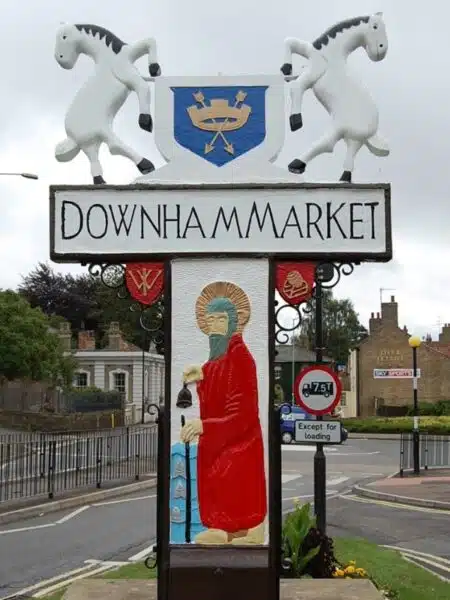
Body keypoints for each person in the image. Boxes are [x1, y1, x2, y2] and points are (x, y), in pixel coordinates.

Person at [180, 281, 267, 545]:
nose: (214, 325)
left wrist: (206, 426)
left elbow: (243, 415)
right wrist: (201, 378)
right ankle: (221, 527)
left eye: (220, 319)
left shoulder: (241, 357)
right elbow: (216, 398)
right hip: (217, 442)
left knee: (232, 476)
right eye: (209, 320)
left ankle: (249, 529)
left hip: (239, 442)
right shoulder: (216, 359)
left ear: (232, 322)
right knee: (213, 475)